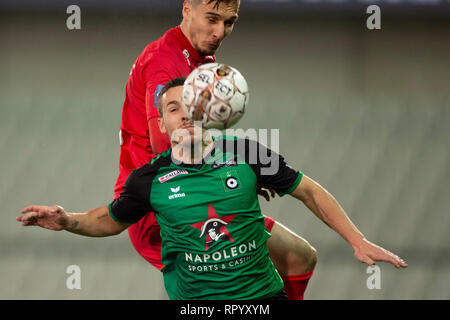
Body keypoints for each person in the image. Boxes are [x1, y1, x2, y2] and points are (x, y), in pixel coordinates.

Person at [17, 77, 408, 300]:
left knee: (304, 257)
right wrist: (67, 219)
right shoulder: (148, 180)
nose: (184, 113)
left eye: (190, 104)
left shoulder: (246, 153)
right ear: (162, 123)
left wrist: (357, 240)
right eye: (173, 108)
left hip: (262, 300)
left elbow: (310, 191)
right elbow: (110, 220)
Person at [115, 0, 318, 299]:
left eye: (229, 22)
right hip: (166, 207)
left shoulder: (198, 59)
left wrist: (235, 171)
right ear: (186, 9)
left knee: (298, 257)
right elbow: (170, 146)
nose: (219, 31)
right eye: (212, 19)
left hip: (198, 191)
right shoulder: (165, 62)